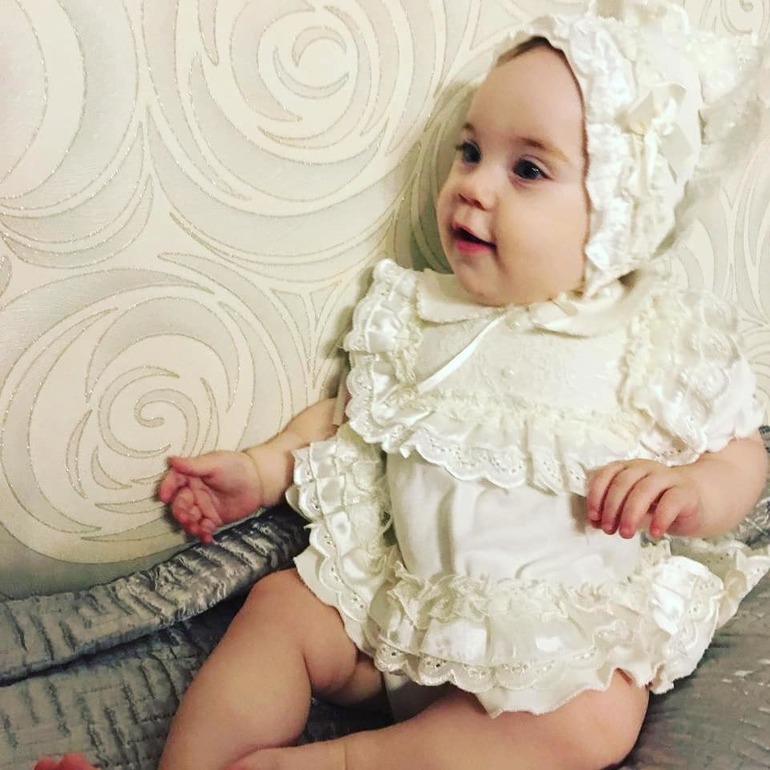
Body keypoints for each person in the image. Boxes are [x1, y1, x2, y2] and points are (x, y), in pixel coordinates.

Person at [36, 1, 770, 769]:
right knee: (280, 607)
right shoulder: (419, 316)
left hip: (551, 648)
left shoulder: (647, 334)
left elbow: (740, 452)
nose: (474, 186)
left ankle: (339, 761)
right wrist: (258, 470)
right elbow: (347, 420)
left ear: (620, 212)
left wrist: (693, 490)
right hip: (400, 617)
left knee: (595, 719)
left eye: (527, 169)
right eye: (470, 151)